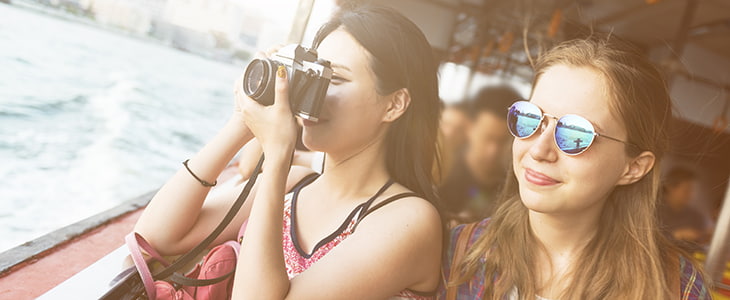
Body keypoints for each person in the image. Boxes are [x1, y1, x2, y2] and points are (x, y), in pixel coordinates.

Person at [134, 5, 443, 299]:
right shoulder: (296, 183)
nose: (312, 94)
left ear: (394, 104)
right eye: (312, 76)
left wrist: (278, 154)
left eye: (334, 79)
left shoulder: (410, 220)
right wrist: (242, 120)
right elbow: (157, 235)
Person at [441, 36, 710, 299]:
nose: (538, 150)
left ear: (634, 168)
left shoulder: (677, 289)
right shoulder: (456, 252)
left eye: (574, 134)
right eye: (530, 119)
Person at [439, 85, 521, 225]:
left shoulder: (515, 190)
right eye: (487, 138)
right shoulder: (440, 177)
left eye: (502, 141)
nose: (493, 150)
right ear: (469, 128)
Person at [659, 167, 711, 247]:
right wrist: (676, 236)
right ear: (670, 187)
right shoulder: (653, 210)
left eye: (692, 190)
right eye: (686, 190)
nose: (690, 194)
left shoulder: (696, 216)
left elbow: (700, 243)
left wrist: (704, 237)